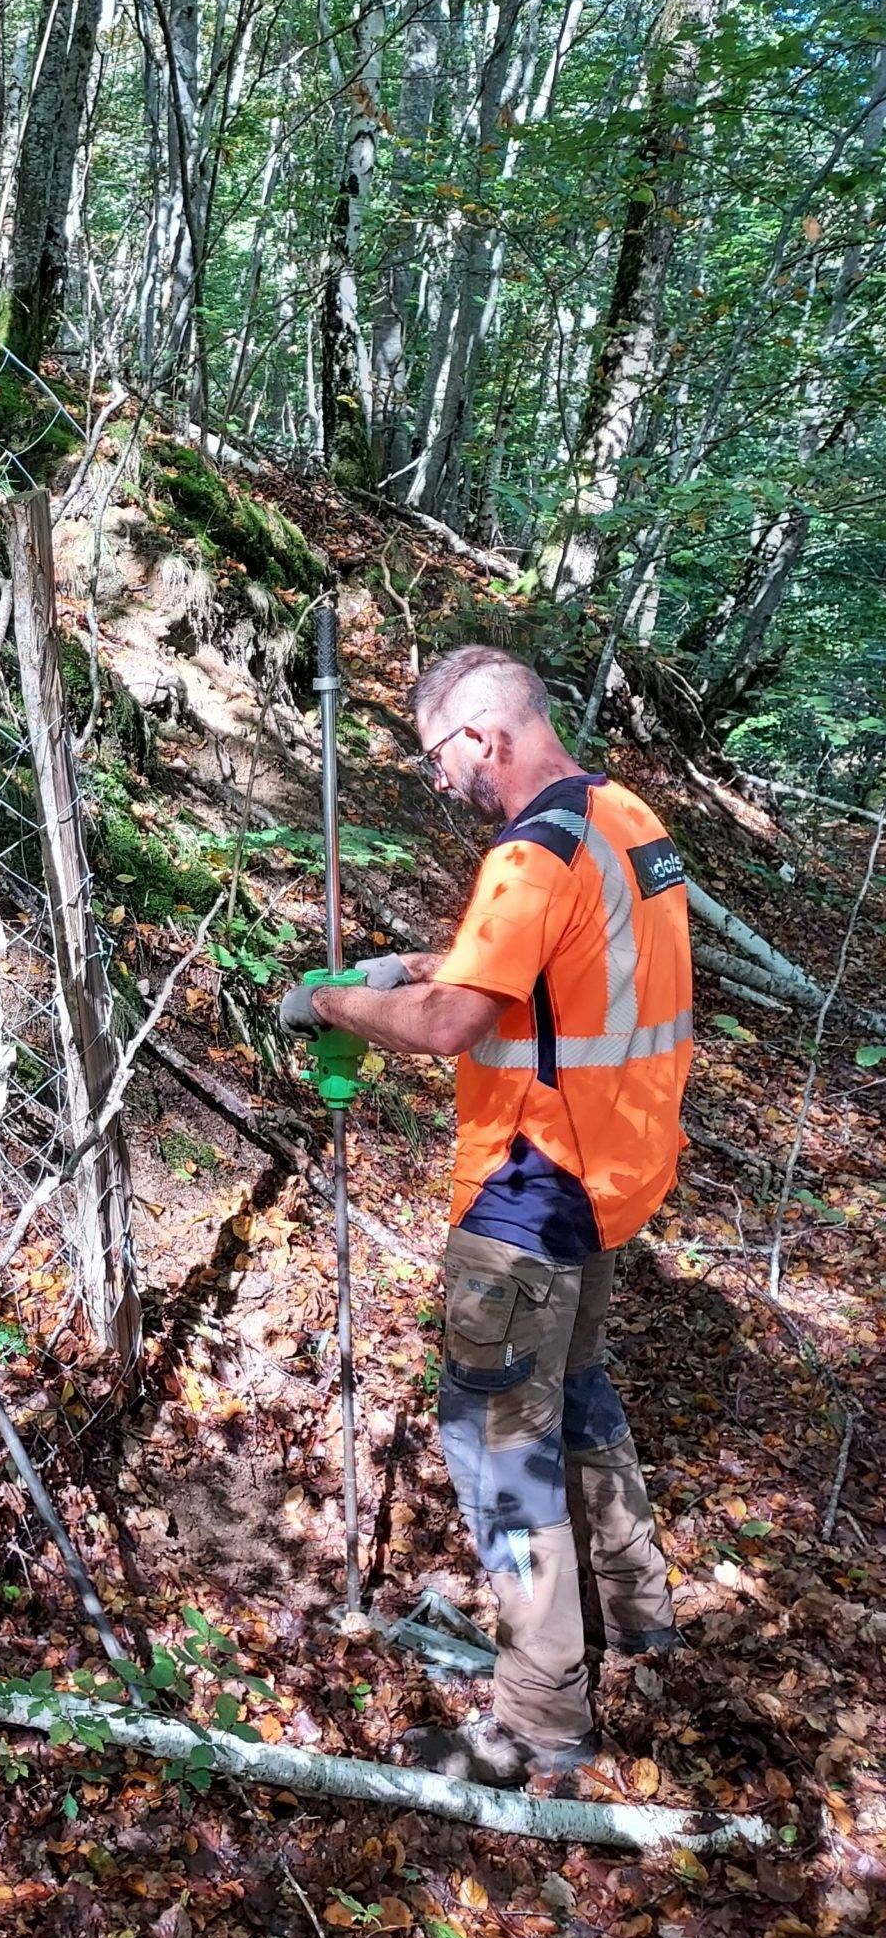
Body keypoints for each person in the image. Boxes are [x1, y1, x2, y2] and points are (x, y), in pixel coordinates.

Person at [279, 644, 692, 1786]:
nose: (439, 779)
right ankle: (637, 1615)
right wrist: (414, 958)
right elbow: (564, 971)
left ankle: (538, 1721)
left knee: (501, 1448)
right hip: (610, 1175)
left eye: (438, 756)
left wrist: (330, 1000)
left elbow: (455, 1023)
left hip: (529, 1191)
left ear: (485, 738)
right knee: (582, 1394)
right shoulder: (621, 819)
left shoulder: (531, 851)